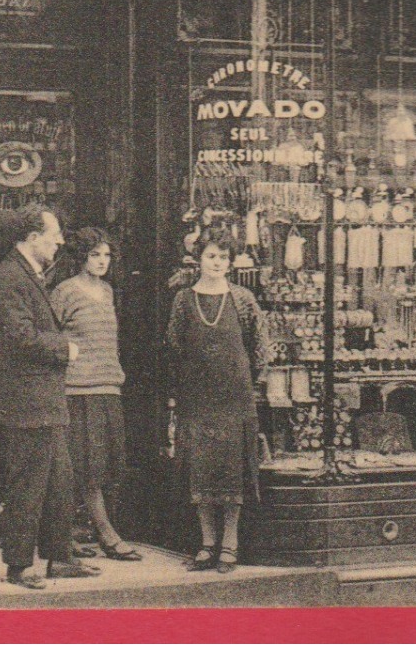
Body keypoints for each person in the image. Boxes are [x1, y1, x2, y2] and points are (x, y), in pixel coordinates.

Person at [0, 206, 100, 589]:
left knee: (58, 481)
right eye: (54, 235)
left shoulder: (25, 275)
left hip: (42, 400)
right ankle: (18, 565)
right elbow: (20, 337)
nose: (60, 242)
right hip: (27, 402)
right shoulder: (10, 278)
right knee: (29, 483)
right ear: (32, 238)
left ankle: (58, 558)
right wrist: (65, 347)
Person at [166, 228, 270, 574]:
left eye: (223, 257)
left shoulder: (243, 299)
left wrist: (255, 383)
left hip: (234, 399)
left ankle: (230, 544)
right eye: (210, 256)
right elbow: (174, 345)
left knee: (231, 473)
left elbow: (259, 345)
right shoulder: (183, 299)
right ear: (199, 260)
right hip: (197, 398)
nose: (216, 263)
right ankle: (207, 543)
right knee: (201, 471)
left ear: (230, 262)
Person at [51, 228, 143, 562]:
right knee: (86, 466)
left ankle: (73, 532)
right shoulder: (64, 291)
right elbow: (52, 339)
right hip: (78, 391)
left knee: (105, 467)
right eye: (95, 255)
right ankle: (106, 534)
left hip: (108, 388)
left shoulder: (107, 291)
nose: (102, 261)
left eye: (106, 255)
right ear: (81, 257)